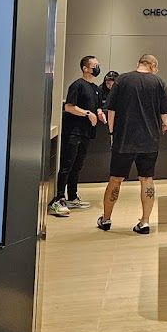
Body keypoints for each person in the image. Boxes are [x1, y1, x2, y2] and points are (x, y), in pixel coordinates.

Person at [99, 54, 167, 234]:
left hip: (124, 139)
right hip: (149, 141)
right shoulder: (159, 82)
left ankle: (106, 219)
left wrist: (111, 133)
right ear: (153, 65)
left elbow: (111, 110)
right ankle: (145, 222)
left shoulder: (122, 80)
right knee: (147, 179)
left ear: (138, 63)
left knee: (116, 179)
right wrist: (166, 125)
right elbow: (165, 113)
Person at [49, 55, 105, 218]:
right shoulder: (77, 85)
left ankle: (72, 196)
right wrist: (87, 113)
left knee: (77, 165)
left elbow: (98, 107)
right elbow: (69, 107)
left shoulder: (96, 88)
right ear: (85, 68)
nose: (97, 68)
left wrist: (99, 114)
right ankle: (59, 198)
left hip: (87, 132)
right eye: (94, 65)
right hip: (74, 131)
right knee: (67, 164)